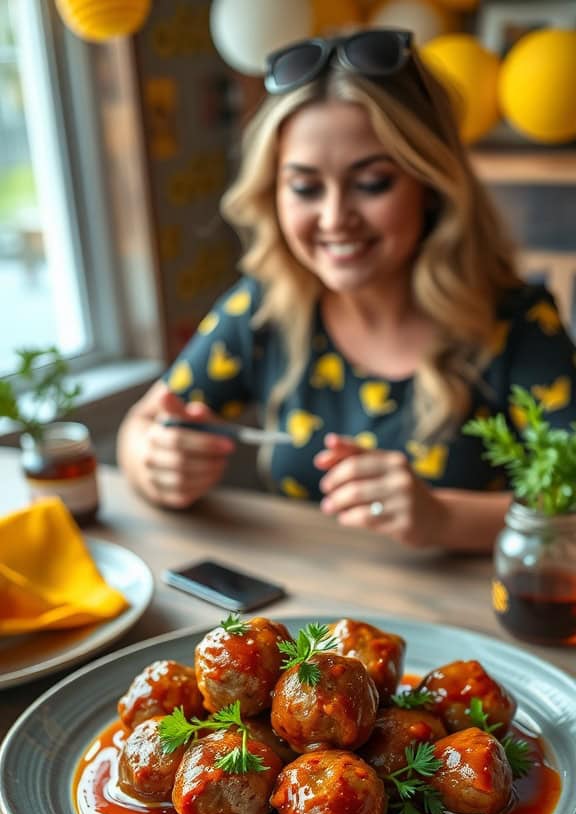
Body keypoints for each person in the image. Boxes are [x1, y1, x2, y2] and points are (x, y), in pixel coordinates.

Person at [117, 29, 576, 551]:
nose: (336, 218)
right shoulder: (264, 306)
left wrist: (443, 519)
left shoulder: (519, 326)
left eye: (372, 183)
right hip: (305, 624)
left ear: (429, 183)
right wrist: (155, 462)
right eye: (306, 188)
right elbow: (144, 426)